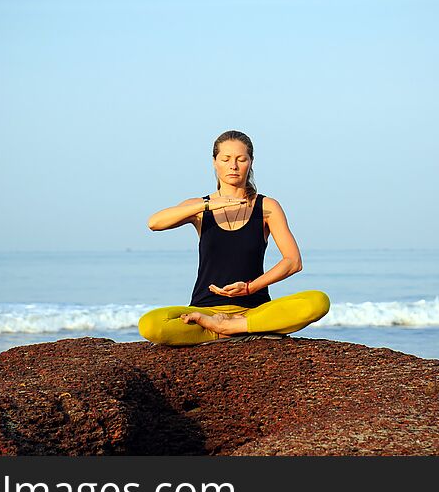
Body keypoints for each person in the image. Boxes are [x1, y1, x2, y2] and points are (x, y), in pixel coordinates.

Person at [138, 130, 330, 346]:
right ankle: (222, 328)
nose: (233, 166)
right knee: (150, 324)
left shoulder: (267, 207)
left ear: (250, 162)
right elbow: (154, 223)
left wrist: (250, 287)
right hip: (204, 310)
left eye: (241, 159)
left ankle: (229, 328)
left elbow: (293, 262)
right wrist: (209, 205)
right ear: (214, 162)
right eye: (226, 159)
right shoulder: (200, 207)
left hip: (254, 310)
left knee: (318, 301)